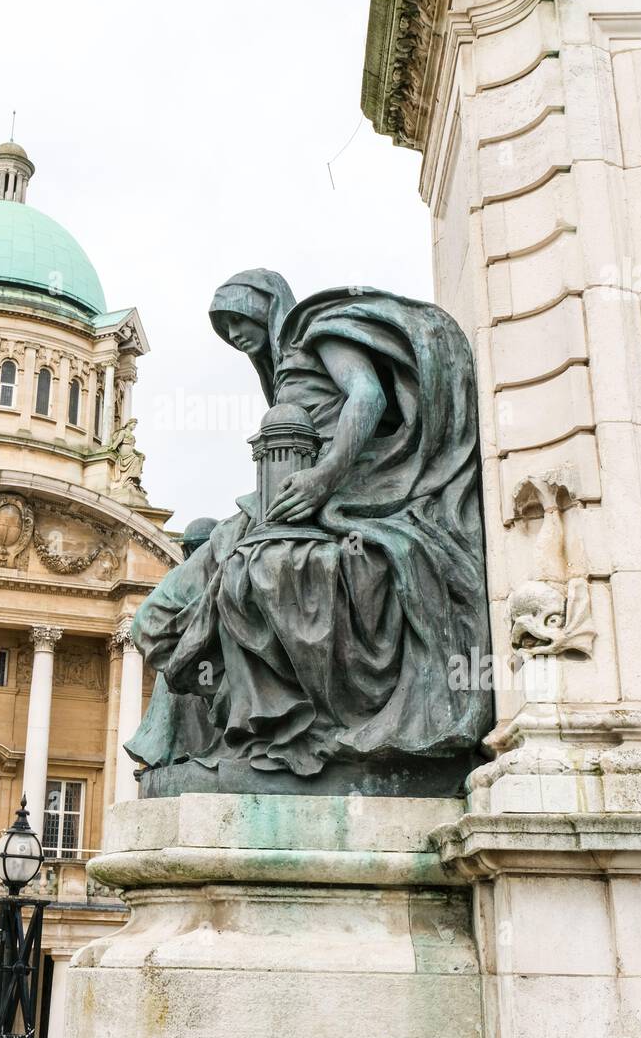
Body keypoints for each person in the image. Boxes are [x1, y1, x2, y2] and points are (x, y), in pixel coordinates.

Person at [126, 270, 491, 792]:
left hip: (343, 492)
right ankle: (200, 743)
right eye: (223, 327)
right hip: (276, 505)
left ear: (266, 303)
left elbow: (367, 398)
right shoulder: (280, 372)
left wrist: (324, 477)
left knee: (252, 577)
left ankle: (277, 735)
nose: (233, 334)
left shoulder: (317, 329)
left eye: (237, 317)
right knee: (156, 619)